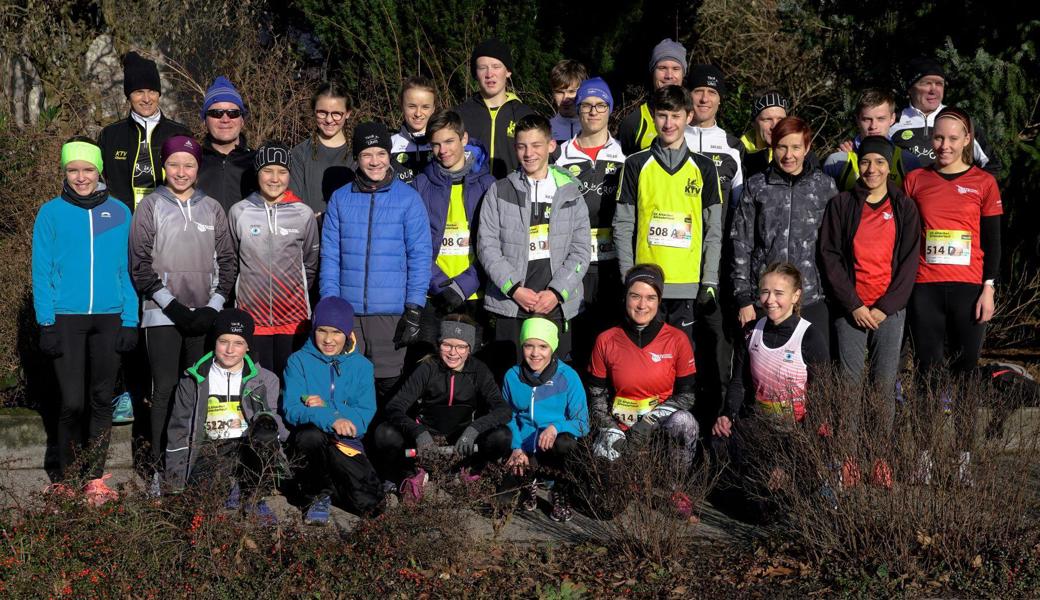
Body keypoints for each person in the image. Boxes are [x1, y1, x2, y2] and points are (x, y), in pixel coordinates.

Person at [32, 137, 138, 503]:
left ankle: (94, 478)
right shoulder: (51, 213)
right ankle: (62, 476)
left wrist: (130, 318)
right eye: (73, 170)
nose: (80, 177)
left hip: (110, 318)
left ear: (99, 171)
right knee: (71, 401)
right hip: (65, 318)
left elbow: (129, 269)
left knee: (100, 399)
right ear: (64, 172)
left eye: (88, 169)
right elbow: (41, 270)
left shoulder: (120, 212)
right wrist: (46, 322)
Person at [613, 85, 724, 420]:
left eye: (676, 115)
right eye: (662, 115)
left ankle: (679, 434)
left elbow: (714, 231)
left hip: (687, 288)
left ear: (688, 117)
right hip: (647, 291)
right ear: (653, 116)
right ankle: (640, 435)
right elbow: (623, 225)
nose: (668, 122)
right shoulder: (635, 164)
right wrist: (627, 277)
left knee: (681, 367)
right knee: (643, 366)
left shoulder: (705, 168)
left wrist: (710, 281)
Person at [903, 106, 1002, 482]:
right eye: (938, 138)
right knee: (927, 374)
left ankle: (962, 459)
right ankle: (925, 458)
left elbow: (993, 243)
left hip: (969, 290)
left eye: (952, 139)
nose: (944, 145)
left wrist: (988, 288)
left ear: (967, 142)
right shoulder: (915, 180)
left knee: (964, 375)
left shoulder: (983, 183)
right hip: (925, 289)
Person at [129, 135, 237, 480]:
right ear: (164, 166)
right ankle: (159, 469)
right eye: (174, 164)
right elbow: (139, 264)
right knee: (163, 389)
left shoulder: (212, 208)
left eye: (188, 164)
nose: (181, 171)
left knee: (195, 389)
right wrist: (171, 305)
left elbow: (228, 263)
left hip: (204, 315)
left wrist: (213, 306)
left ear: (197, 168)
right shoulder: (150, 206)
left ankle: (191, 465)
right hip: (162, 314)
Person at [819, 136, 920, 484]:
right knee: (848, 386)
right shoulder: (842, 204)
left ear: (889, 165)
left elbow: (908, 264)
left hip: (888, 311)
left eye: (879, 162)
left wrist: (885, 307)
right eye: (865, 162)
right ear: (857, 164)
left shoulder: (904, 207)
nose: (872, 169)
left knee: (883, 384)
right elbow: (830, 256)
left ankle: (879, 457)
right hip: (851, 310)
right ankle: (847, 458)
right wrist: (854, 305)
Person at [320, 122, 432, 402]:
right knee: (348, 385)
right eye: (367, 154)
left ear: (389, 155)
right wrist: (330, 306)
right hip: (349, 313)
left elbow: (420, 256)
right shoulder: (340, 199)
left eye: (381, 153)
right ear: (356, 158)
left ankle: (387, 444)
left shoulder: (409, 199)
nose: (375, 161)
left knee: (389, 387)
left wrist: (414, 308)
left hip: (391, 314)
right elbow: (330, 256)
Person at [476, 114, 591, 367]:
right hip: (512, 305)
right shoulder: (499, 190)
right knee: (511, 378)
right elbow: (487, 246)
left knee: (553, 383)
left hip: (556, 305)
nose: (529, 153)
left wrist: (556, 292)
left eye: (536, 145)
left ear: (551, 146)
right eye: (522, 146)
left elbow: (581, 251)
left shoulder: (571, 191)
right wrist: (514, 289)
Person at [586, 265, 699, 516]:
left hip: (659, 427)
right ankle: (629, 481)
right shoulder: (606, 339)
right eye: (635, 296)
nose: (642, 305)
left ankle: (675, 488)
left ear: (659, 300)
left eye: (650, 297)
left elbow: (687, 395)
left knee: (686, 422)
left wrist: (648, 422)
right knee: (606, 510)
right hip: (618, 427)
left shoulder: (677, 339)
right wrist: (613, 430)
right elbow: (596, 397)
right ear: (625, 297)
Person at [713, 264, 829, 506]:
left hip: (797, 435)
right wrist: (727, 414)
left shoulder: (810, 336)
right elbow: (739, 381)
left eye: (779, 293)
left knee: (781, 506)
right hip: (760, 429)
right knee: (720, 440)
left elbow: (821, 400)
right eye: (764, 292)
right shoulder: (751, 331)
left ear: (796, 296)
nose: (770, 300)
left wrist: (789, 462)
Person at [164, 309, 288, 523]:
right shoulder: (193, 380)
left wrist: (268, 423)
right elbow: (179, 429)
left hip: (247, 446)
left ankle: (255, 496)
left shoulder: (266, 379)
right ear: (214, 342)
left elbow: (275, 423)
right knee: (197, 509)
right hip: (209, 448)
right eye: (224, 341)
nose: (230, 350)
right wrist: (174, 482)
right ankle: (231, 487)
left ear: (248, 346)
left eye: (238, 343)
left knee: (266, 432)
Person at [730, 116, 838, 356]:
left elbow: (835, 247)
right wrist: (743, 298)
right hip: (765, 301)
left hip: (811, 298)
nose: (789, 155)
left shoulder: (825, 187)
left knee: (815, 376)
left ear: (807, 148)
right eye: (782, 147)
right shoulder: (757, 186)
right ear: (773, 147)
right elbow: (741, 242)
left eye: (796, 147)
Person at [375, 314, 512, 502]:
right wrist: (419, 433)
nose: (453, 353)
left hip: (461, 446)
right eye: (447, 345)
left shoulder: (479, 370)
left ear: (470, 348)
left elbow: (503, 410)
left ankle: (471, 472)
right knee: (385, 432)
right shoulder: (427, 368)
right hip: (425, 447)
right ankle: (411, 474)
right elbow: (394, 407)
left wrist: (474, 430)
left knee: (502, 435)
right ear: (439, 344)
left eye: (461, 346)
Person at [283, 297, 384, 523]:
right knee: (311, 435)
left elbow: (363, 415)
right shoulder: (297, 361)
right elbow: (291, 409)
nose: (328, 340)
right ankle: (315, 496)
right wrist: (330, 418)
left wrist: (329, 408)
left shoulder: (362, 366)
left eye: (337, 332)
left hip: (346, 443)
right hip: (310, 441)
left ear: (348, 334)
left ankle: (329, 488)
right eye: (322, 331)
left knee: (372, 505)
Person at [682, 64, 744, 422]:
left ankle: (718, 426)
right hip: (676, 261)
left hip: (717, 264)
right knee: (680, 345)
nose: (704, 98)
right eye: (699, 91)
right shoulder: (672, 138)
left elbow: (738, 213)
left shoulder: (732, 147)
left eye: (712, 92)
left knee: (719, 347)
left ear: (720, 99)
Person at [228, 143, 320, 378]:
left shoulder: (303, 213)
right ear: (257, 172)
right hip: (252, 318)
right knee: (257, 385)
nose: (275, 179)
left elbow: (310, 263)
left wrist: (293, 292)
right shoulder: (239, 212)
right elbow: (232, 261)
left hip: (293, 319)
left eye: (282, 171)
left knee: (290, 383)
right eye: (268, 171)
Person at [554, 77, 626, 371]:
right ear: (578, 109)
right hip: (574, 264)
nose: (593, 112)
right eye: (587, 105)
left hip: (612, 263)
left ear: (610, 109)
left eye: (600, 105)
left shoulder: (625, 155)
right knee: (575, 342)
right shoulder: (559, 156)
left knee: (610, 341)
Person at [412, 110, 496, 352]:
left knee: (472, 374)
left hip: (475, 295)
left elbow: (494, 245)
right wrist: (438, 285)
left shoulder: (488, 184)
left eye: (449, 141)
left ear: (464, 139)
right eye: (436, 144)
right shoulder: (421, 184)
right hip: (434, 295)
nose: (443, 150)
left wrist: (464, 285)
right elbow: (414, 244)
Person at [501, 318, 590, 522]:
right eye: (529, 345)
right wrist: (516, 447)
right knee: (502, 504)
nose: (535, 353)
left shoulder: (568, 376)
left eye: (543, 346)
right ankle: (528, 481)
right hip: (523, 449)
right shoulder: (512, 376)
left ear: (553, 347)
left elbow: (583, 422)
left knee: (566, 441)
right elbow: (508, 415)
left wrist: (556, 426)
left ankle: (559, 490)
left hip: (553, 448)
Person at [97, 51, 191, 211]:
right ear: (128, 95)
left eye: (152, 91)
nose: (147, 99)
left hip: (169, 222)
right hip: (123, 221)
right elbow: (97, 180)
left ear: (159, 94)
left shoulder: (179, 134)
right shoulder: (110, 135)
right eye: (139, 92)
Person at [889, 56, 1001, 177]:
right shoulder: (893, 121)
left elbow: (991, 166)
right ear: (910, 89)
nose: (933, 90)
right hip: (906, 193)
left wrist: (969, 190)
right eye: (926, 83)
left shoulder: (959, 120)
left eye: (939, 84)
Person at [455, 39, 536, 179]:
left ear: (508, 71)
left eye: (496, 66)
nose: (489, 74)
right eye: (482, 68)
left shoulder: (525, 115)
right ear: (476, 73)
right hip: (471, 196)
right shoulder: (459, 114)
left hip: (512, 197)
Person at [823, 88, 920, 191]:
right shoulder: (838, 160)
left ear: (892, 119)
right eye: (867, 119)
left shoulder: (908, 161)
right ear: (857, 120)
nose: (873, 126)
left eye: (880, 119)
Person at [289, 81, 355, 219]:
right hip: (310, 233)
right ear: (314, 111)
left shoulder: (358, 154)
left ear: (348, 113)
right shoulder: (300, 153)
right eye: (322, 113)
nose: (329, 120)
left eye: (337, 114)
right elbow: (292, 201)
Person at [616, 38, 688, 155]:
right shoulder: (634, 122)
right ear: (652, 72)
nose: (669, 76)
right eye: (662, 68)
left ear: (683, 73)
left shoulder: (694, 120)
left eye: (675, 69)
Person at [197, 76, 257, 212]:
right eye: (216, 113)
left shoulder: (258, 162)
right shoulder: (192, 162)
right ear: (204, 121)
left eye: (233, 113)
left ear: (242, 120)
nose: (225, 119)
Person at [390, 76, 436, 183]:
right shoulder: (389, 144)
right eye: (412, 106)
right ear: (402, 105)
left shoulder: (441, 143)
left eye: (425, 107)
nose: (418, 113)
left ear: (433, 108)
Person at [738, 91, 789, 179]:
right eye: (767, 119)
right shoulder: (737, 157)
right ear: (753, 123)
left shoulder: (802, 157)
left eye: (780, 119)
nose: (775, 126)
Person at [548, 59, 588, 144]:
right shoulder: (545, 130)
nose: (565, 98)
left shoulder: (592, 128)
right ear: (553, 93)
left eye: (571, 92)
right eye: (559, 92)